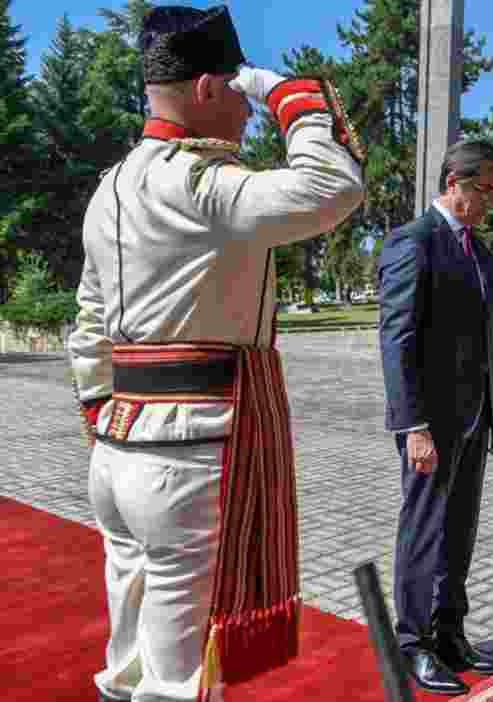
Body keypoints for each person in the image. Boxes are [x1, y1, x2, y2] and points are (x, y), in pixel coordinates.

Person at [67, 6, 365, 701]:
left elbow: (89, 319)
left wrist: (102, 411)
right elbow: (336, 184)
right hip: (189, 452)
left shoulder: (110, 185)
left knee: (126, 661)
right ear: (206, 88)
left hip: (118, 443)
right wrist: (287, 91)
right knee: (178, 682)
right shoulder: (200, 183)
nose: (249, 112)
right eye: (238, 91)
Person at [378, 138, 493, 695]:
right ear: (454, 182)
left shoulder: (481, 252)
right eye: (485, 190)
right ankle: (413, 642)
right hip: (430, 423)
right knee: (424, 530)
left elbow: (489, 338)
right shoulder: (415, 242)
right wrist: (412, 426)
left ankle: (451, 631)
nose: (490, 202)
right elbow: (397, 339)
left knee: (460, 530)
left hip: (475, 419)